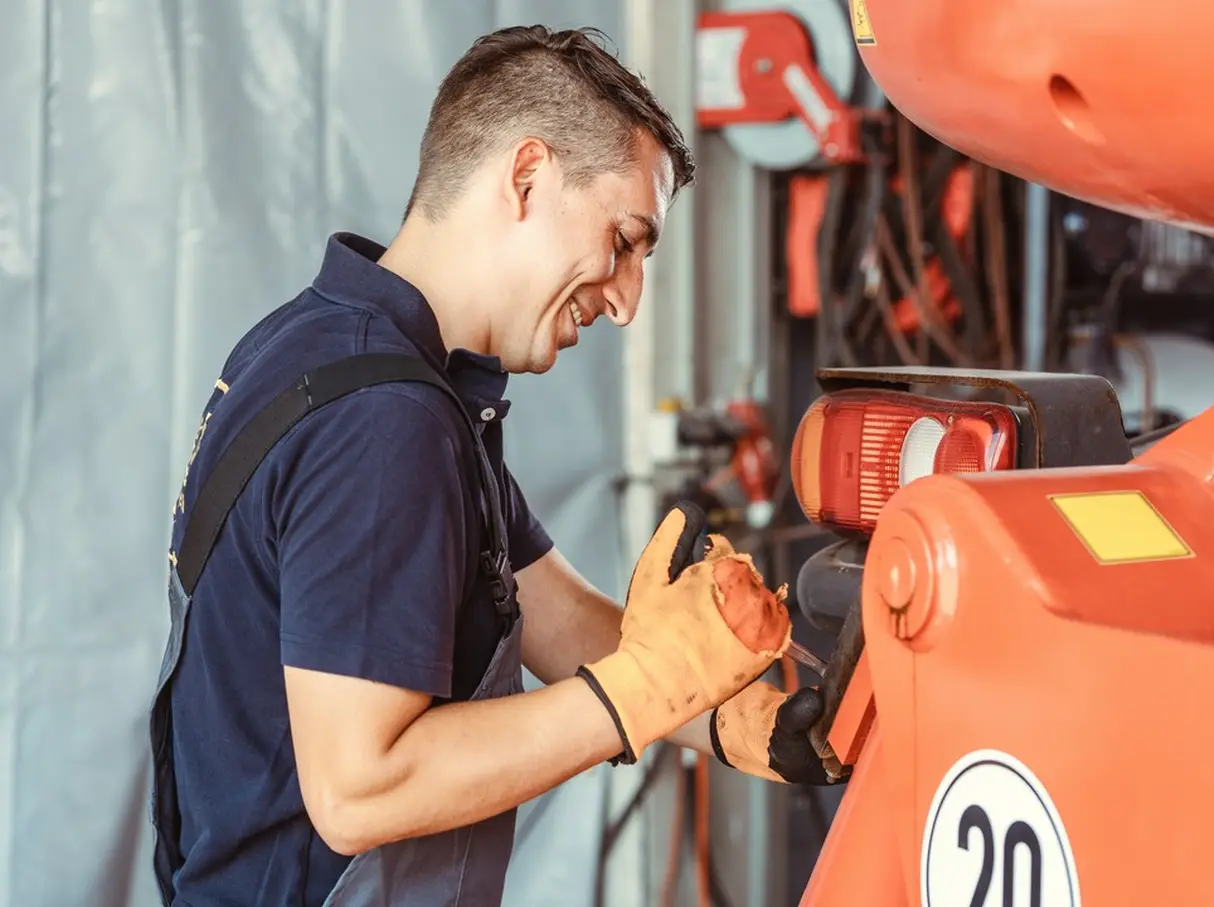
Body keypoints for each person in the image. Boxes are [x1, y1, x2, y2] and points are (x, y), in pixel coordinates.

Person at [149, 24, 842, 907]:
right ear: (526, 178)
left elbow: (559, 617)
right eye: (625, 241)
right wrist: (639, 691)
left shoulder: (332, 353)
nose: (627, 302)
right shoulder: (383, 421)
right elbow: (361, 789)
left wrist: (733, 718)